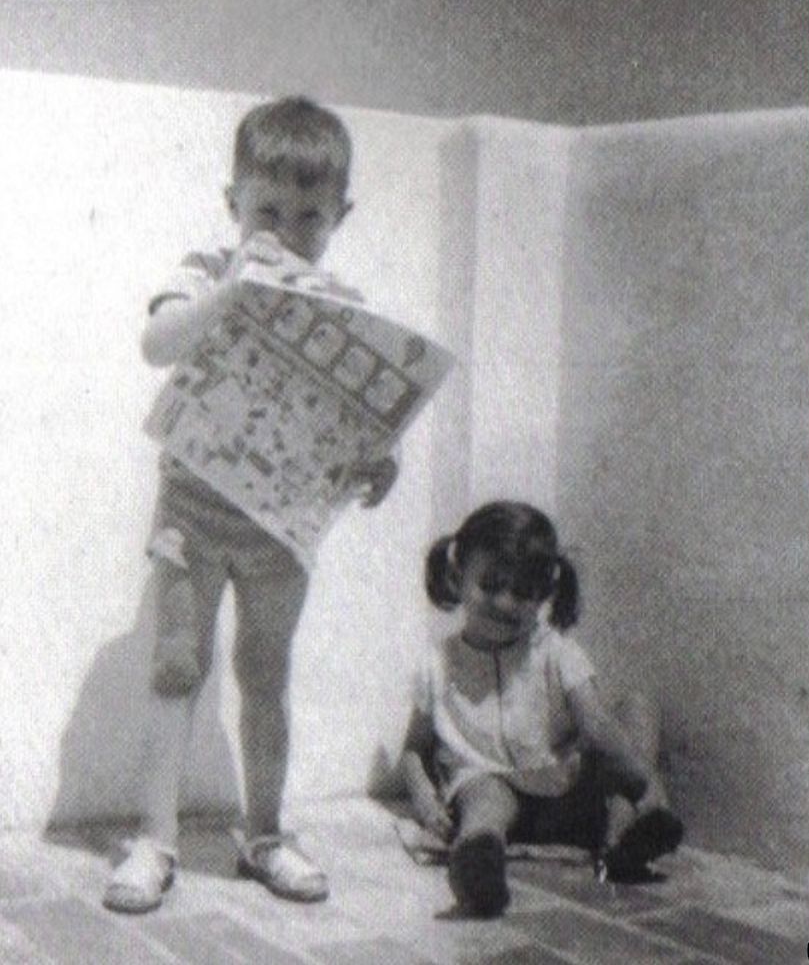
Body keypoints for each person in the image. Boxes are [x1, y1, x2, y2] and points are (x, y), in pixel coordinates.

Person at [104, 97, 397, 914]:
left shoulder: (341, 302)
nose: (285, 231)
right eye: (267, 210)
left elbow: (362, 420)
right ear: (233, 203)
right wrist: (228, 294)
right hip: (195, 508)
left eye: (310, 217)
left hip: (279, 522)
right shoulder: (206, 269)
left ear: (340, 217)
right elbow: (157, 343)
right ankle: (153, 838)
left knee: (266, 675)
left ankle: (265, 832)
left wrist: (381, 463)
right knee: (176, 668)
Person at [400, 501, 683, 918]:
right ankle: (479, 859)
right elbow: (413, 749)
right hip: (496, 791)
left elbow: (597, 727)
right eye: (491, 585)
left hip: (567, 792)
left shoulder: (556, 653)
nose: (506, 603)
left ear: (544, 595)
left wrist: (643, 781)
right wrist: (424, 799)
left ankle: (622, 841)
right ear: (458, 577)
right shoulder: (438, 663)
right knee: (483, 794)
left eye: (524, 592)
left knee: (637, 710)